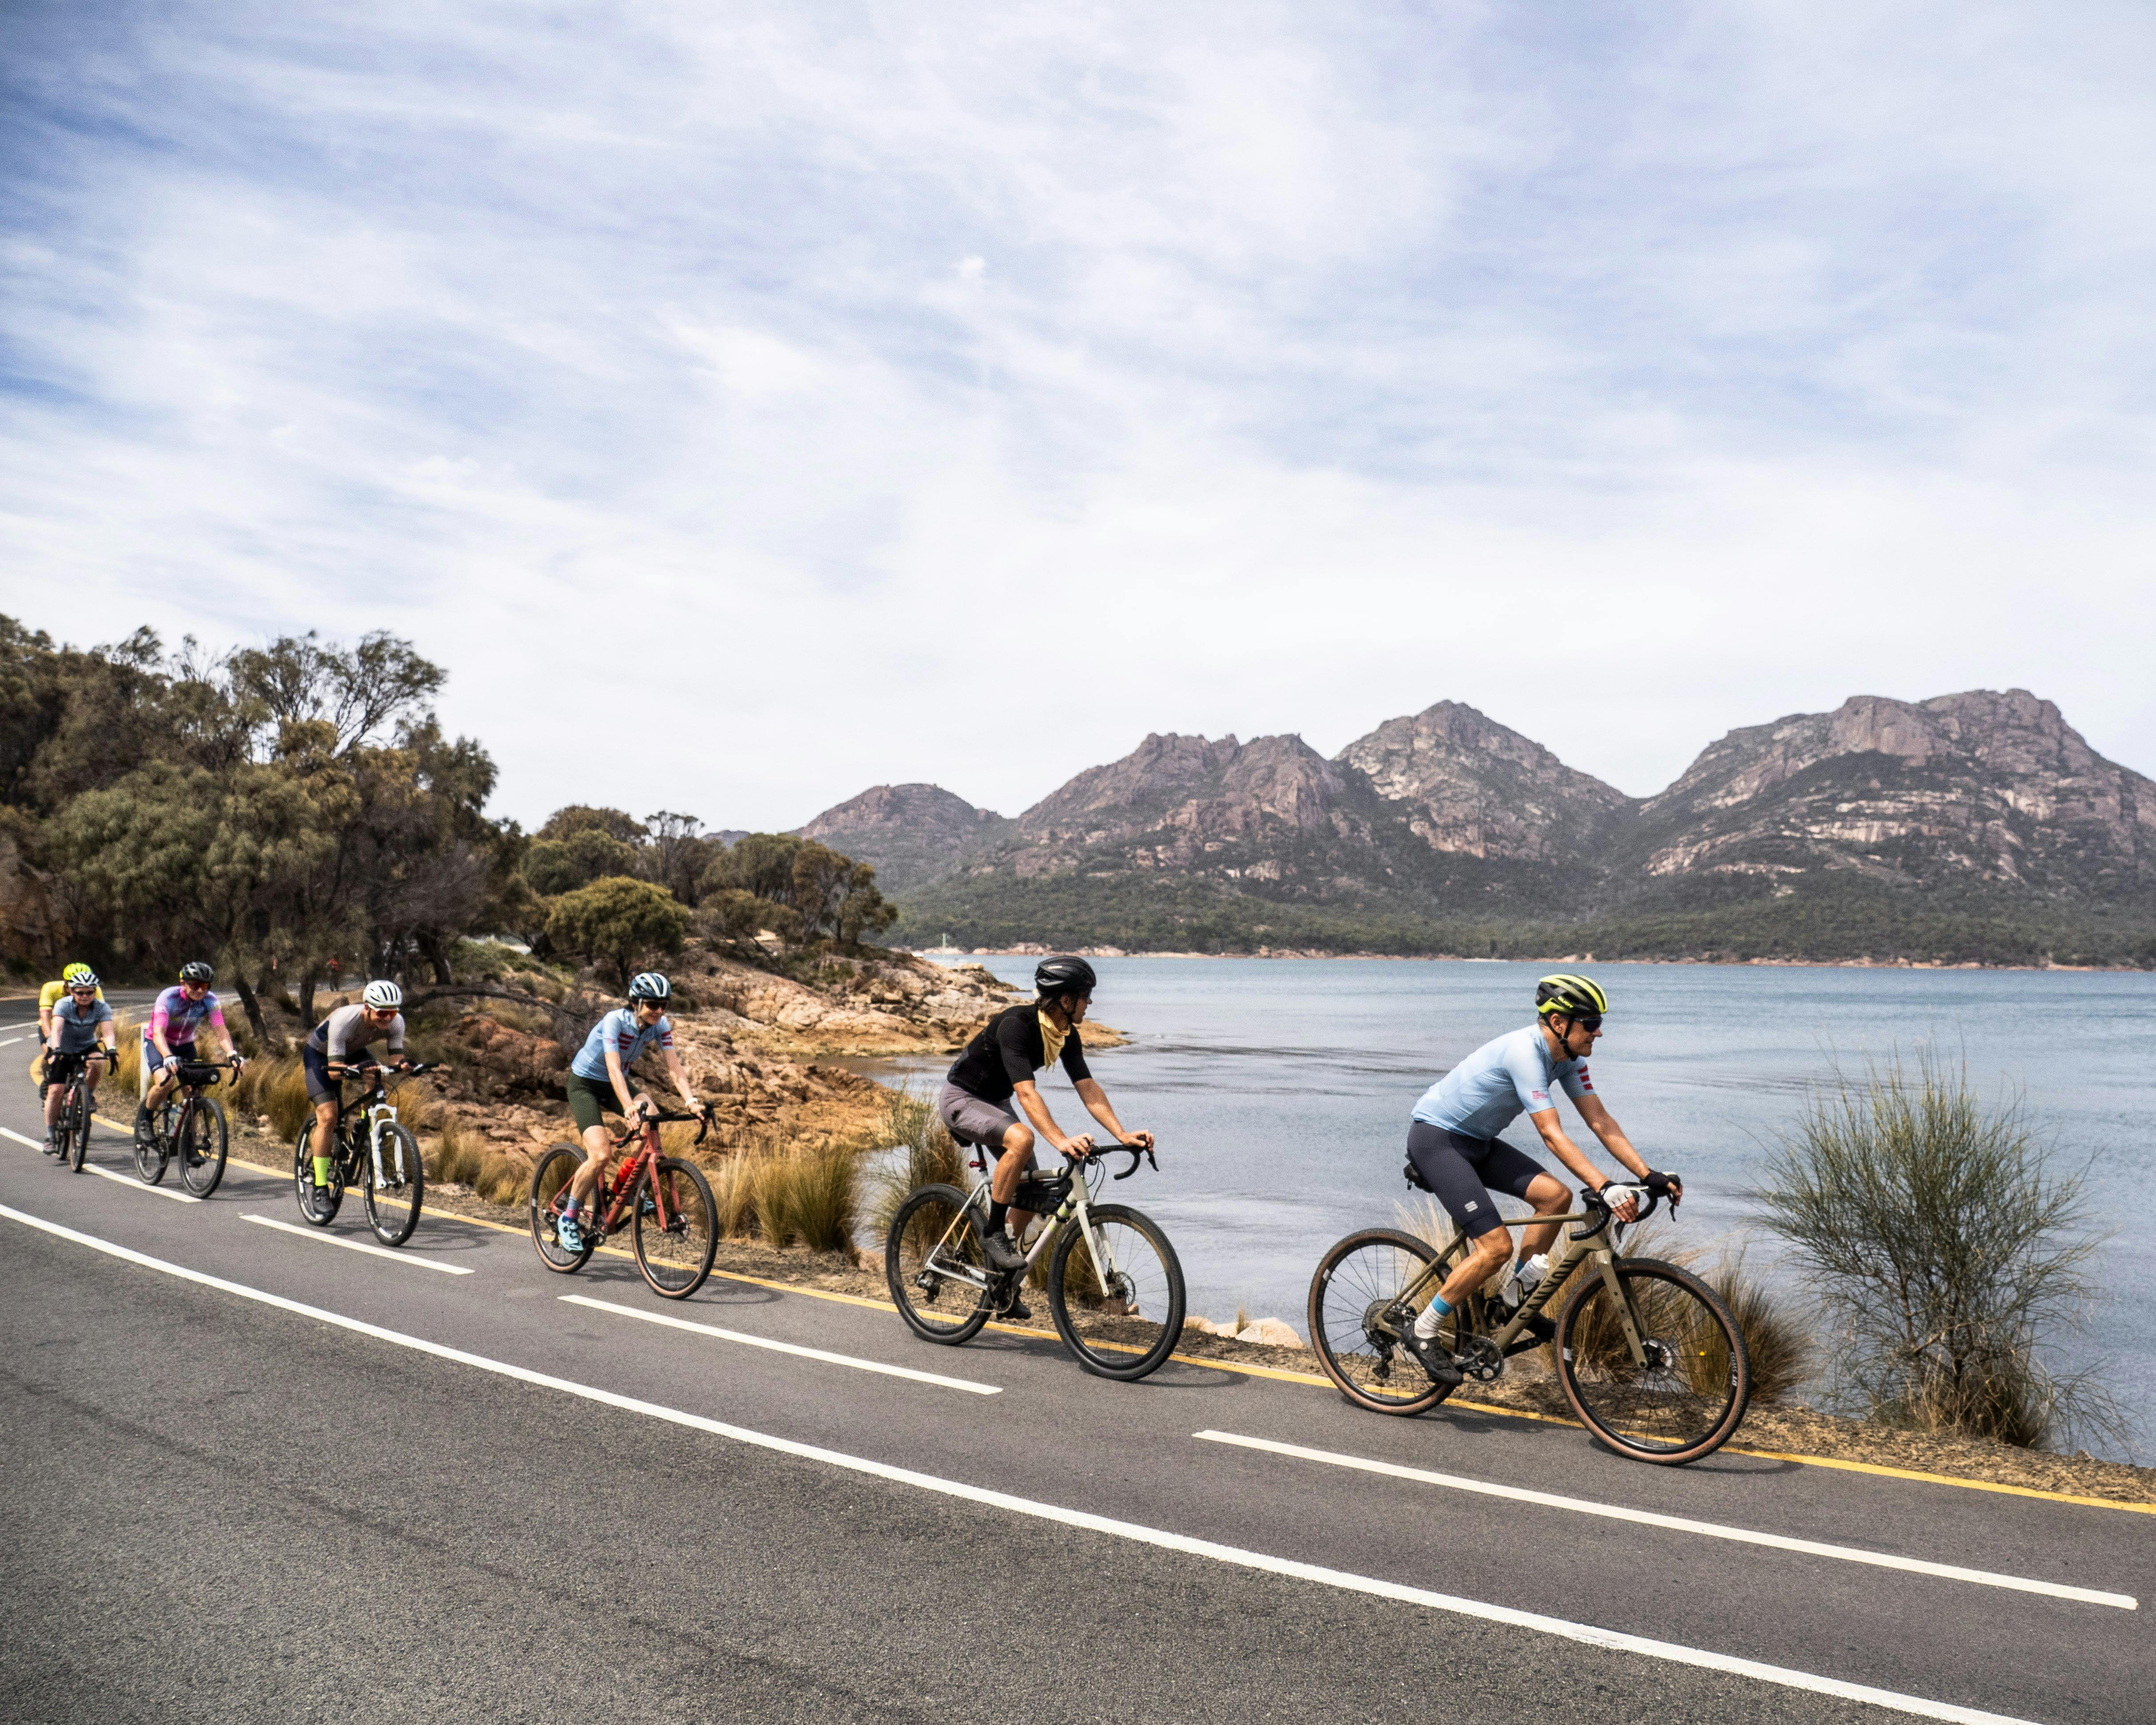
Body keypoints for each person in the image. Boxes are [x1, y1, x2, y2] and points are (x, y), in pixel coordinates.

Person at [1399, 973, 1679, 1392]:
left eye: (1599, 1022)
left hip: (1478, 1143)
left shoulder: (1569, 1059)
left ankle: (1512, 1302)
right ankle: (1423, 1330)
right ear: (1559, 1023)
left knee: (1556, 1197)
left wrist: (1647, 1174)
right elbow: (1551, 1133)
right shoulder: (1525, 1053)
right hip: (1437, 1140)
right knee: (1495, 1247)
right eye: (1590, 1023)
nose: (1599, 1032)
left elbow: (1600, 1121)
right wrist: (1604, 1187)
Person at [937, 955, 1152, 1319]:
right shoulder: (1017, 1026)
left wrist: (1122, 1133)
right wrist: (1061, 1141)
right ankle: (992, 1232)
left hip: (995, 1103)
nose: (1090, 1002)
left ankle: (1001, 1284)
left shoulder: (1065, 1035)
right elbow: (1026, 1093)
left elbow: (1088, 1088)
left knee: (1031, 1192)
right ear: (1066, 1000)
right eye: (1085, 995)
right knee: (1022, 1139)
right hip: (962, 1099)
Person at [558, 973, 711, 1252]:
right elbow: (614, 1068)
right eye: (653, 1004)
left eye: (664, 1005)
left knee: (650, 1121)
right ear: (636, 1003)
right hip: (586, 1084)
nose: (659, 1011)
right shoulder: (614, 1021)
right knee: (601, 1155)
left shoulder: (660, 1025)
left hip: (615, 1083)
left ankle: (624, 1188)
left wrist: (691, 1102)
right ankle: (568, 1218)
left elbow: (674, 1067)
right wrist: (628, 1106)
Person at [301, 979, 411, 1199]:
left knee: (377, 1075)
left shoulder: (396, 1022)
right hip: (320, 1057)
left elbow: (396, 1061)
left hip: (354, 1053)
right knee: (328, 1117)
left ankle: (363, 1122)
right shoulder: (344, 1020)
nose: (388, 1019)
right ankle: (320, 1187)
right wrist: (357, 1069)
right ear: (367, 1008)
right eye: (382, 1013)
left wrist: (406, 1065)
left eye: (392, 1013)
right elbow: (334, 1072)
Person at [138, 962, 246, 1141]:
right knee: (166, 1082)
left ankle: (189, 1142)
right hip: (158, 1043)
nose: (201, 991)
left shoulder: (211, 1000)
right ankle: (146, 1119)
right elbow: (158, 1033)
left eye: (205, 986)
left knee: (194, 1094)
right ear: (183, 983)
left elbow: (220, 1030)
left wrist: (232, 1054)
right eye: (196, 985)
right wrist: (168, 1056)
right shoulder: (168, 997)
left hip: (186, 1046)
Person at [42, 971, 119, 1154]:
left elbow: (108, 1033)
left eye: (89, 992)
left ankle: (88, 1095)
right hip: (62, 1046)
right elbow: (57, 1030)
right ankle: (50, 1135)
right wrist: (56, 1050)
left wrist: (111, 1049)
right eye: (80, 993)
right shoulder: (63, 1005)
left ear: (95, 992)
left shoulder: (102, 1008)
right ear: (72, 991)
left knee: (98, 1061)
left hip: (86, 1045)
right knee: (56, 1091)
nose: (85, 996)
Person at [37, 963, 104, 1101]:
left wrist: (100, 1036)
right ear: (65, 983)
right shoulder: (50, 988)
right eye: (73, 984)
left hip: (79, 1029)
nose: (80, 988)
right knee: (50, 1055)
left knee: (88, 1060)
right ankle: (47, 1080)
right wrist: (51, 1039)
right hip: (53, 1027)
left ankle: (84, 1094)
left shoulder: (93, 990)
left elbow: (101, 1016)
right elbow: (45, 1017)